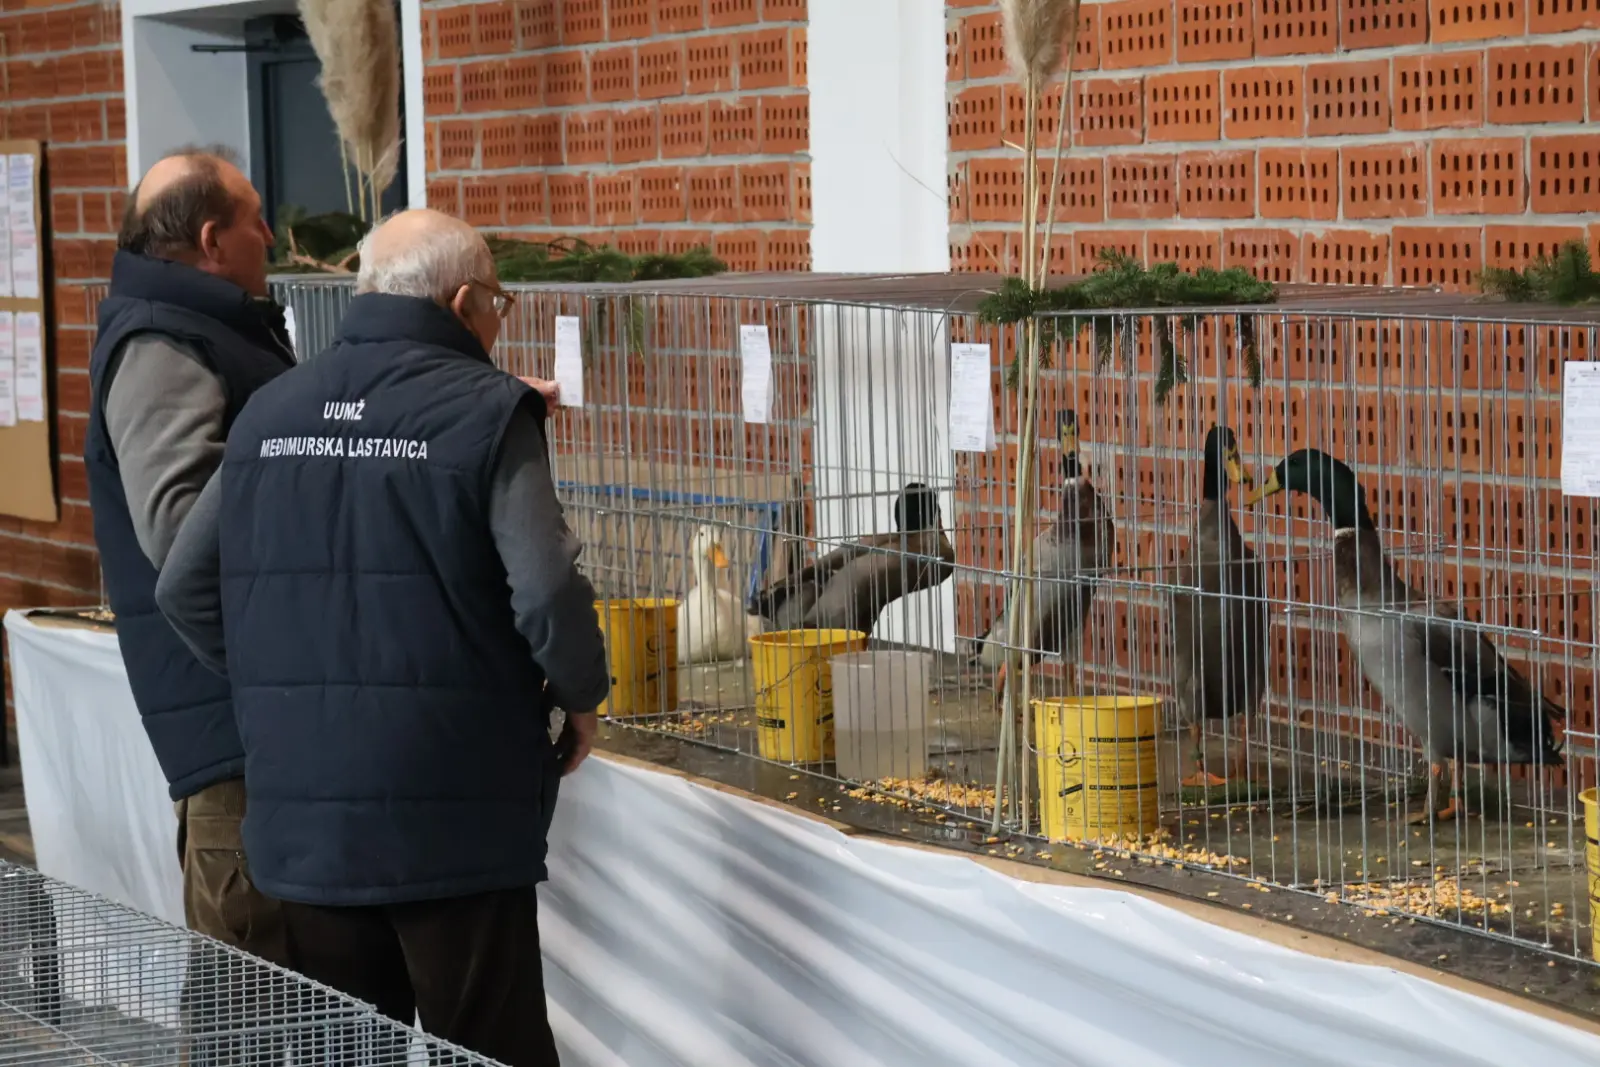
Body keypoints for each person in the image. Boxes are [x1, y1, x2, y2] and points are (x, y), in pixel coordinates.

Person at [156, 208, 611, 1067]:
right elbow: (549, 590)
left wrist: (273, 680)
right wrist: (581, 693)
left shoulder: (268, 411)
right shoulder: (487, 410)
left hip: (304, 821)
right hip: (457, 816)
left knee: (340, 1050)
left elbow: (182, 584)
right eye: (499, 302)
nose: (497, 319)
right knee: (488, 1046)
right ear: (466, 301)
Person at [84, 145, 293, 957]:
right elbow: (181, 538)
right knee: (251, 999)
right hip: (233, 739)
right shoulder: (162, 344)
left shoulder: (199, 328)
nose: (269, 236)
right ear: (212, 240)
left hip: (249, 727)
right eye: (255, 219)